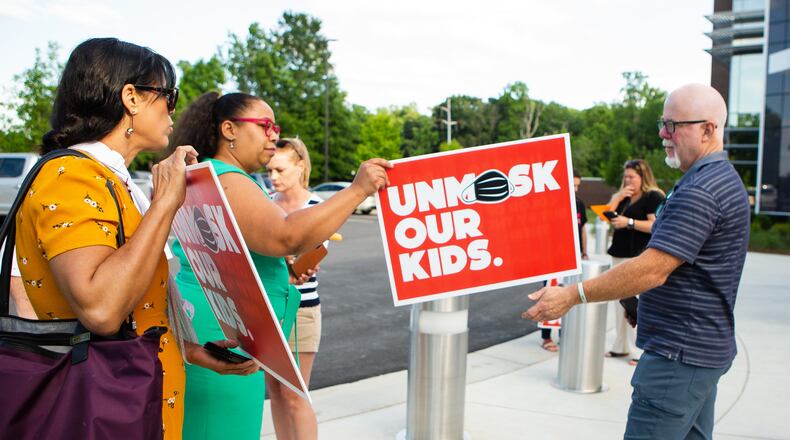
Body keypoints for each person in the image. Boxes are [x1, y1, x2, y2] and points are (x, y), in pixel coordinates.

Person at [13, 38, 258, 440]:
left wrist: (188, 347)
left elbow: (130, 304)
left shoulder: (111, 179)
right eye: (168, 95)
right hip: (100, 410)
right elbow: (101, 308)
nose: (173, 109)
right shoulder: (72, 178)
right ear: (131, 98)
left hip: (133, 397)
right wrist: (165, 204)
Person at [523, 84, 750, 439]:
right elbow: (687, 268)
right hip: (699, 352)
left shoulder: (701, 190)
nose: (663, 133)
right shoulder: (716, 180)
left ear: (708, 129)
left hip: (678, 356)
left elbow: (653, 269)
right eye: (663, 122)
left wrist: (572, 295)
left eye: (674, 125)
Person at [170, 92, 390, 440]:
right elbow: (286, 236)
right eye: (265, 126)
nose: (274, 134)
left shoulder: (203, 176)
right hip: (226, 339)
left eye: (276, 127)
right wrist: (358, 190)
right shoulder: (228, 178)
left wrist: (283, 272)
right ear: (229, 129)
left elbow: (226, 256)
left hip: (209, 326)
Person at [265, 137, 324, 438]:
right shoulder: (264, 203)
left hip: (301, 311)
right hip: (270, 311)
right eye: (269, 171)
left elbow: (311, 257)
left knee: (295, 395)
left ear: (300, 166)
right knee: (275, 394)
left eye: (280, 170)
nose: (273, 177)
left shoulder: (317, 206)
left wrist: (292, 260)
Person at [604, 159, 664, 365]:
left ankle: (641, 350)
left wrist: (628, 222)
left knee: (638, 303)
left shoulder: (653, 196)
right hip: (619, 252)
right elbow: (606, 216)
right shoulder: (624, 197)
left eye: (632, 177)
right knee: (619, 301)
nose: (627, 180)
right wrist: (618, 197)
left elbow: (655, 226)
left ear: (643, 177)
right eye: (625, 176)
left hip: (638, 254)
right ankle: (621, 346)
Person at [539, 169, 587, 352]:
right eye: (572, 185)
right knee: (549, 294)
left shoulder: (579, 204)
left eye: (577, 186)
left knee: (567, 296)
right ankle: (546, 337)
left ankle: (563, 334)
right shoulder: (554, 203)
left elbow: (582, 229)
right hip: (554, 256)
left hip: (573, 257)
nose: (575, 189)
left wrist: (584, 251)